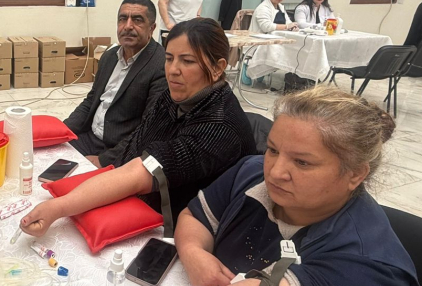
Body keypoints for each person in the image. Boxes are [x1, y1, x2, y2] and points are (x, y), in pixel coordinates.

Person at [67, 87, 418, 286]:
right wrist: (194, 253)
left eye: (302, 163)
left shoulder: (367, 262)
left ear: (355, 174)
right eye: (273, 150)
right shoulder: (252, 173)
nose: (276, 172)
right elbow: (194, 217)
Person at [21, 18, 257, 237]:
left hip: (184, 227)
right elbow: (141, 137)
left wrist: (58, 208)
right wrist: (105, 164)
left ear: (217, 68)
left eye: (187, 61)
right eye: (169, 58)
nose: (173, 70)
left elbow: (142, 172)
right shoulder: (174, 95)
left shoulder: (220, 126)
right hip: (147, 196)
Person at [64, 0, 166, 167]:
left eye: (137, 20)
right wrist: (63, 131)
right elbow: (91, 101)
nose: (128, 26)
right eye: (122, 19)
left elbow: (148, 129)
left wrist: (104, 160)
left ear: (152, 28)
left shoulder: (160, 65)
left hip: (120, 150)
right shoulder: (110, 56)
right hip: (90, 138)